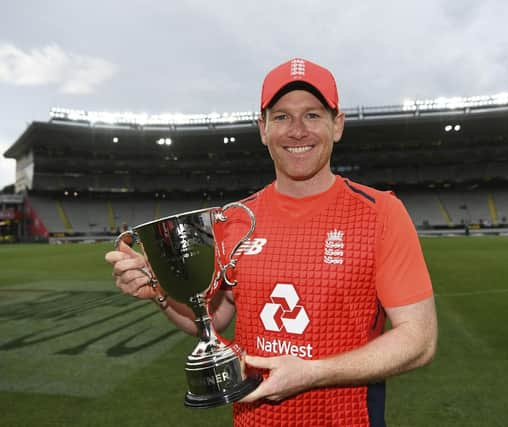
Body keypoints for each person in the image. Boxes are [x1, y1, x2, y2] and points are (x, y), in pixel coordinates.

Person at [106, 58, 437, 426]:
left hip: (347, 418)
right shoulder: (234, 220)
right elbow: (211, 318)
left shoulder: (381, 212)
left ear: (337, 124)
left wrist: (315, 372)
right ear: (262, 129)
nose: (297, 131)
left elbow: (419, 340)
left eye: (312, 115)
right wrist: (161, 291)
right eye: (281, 117)